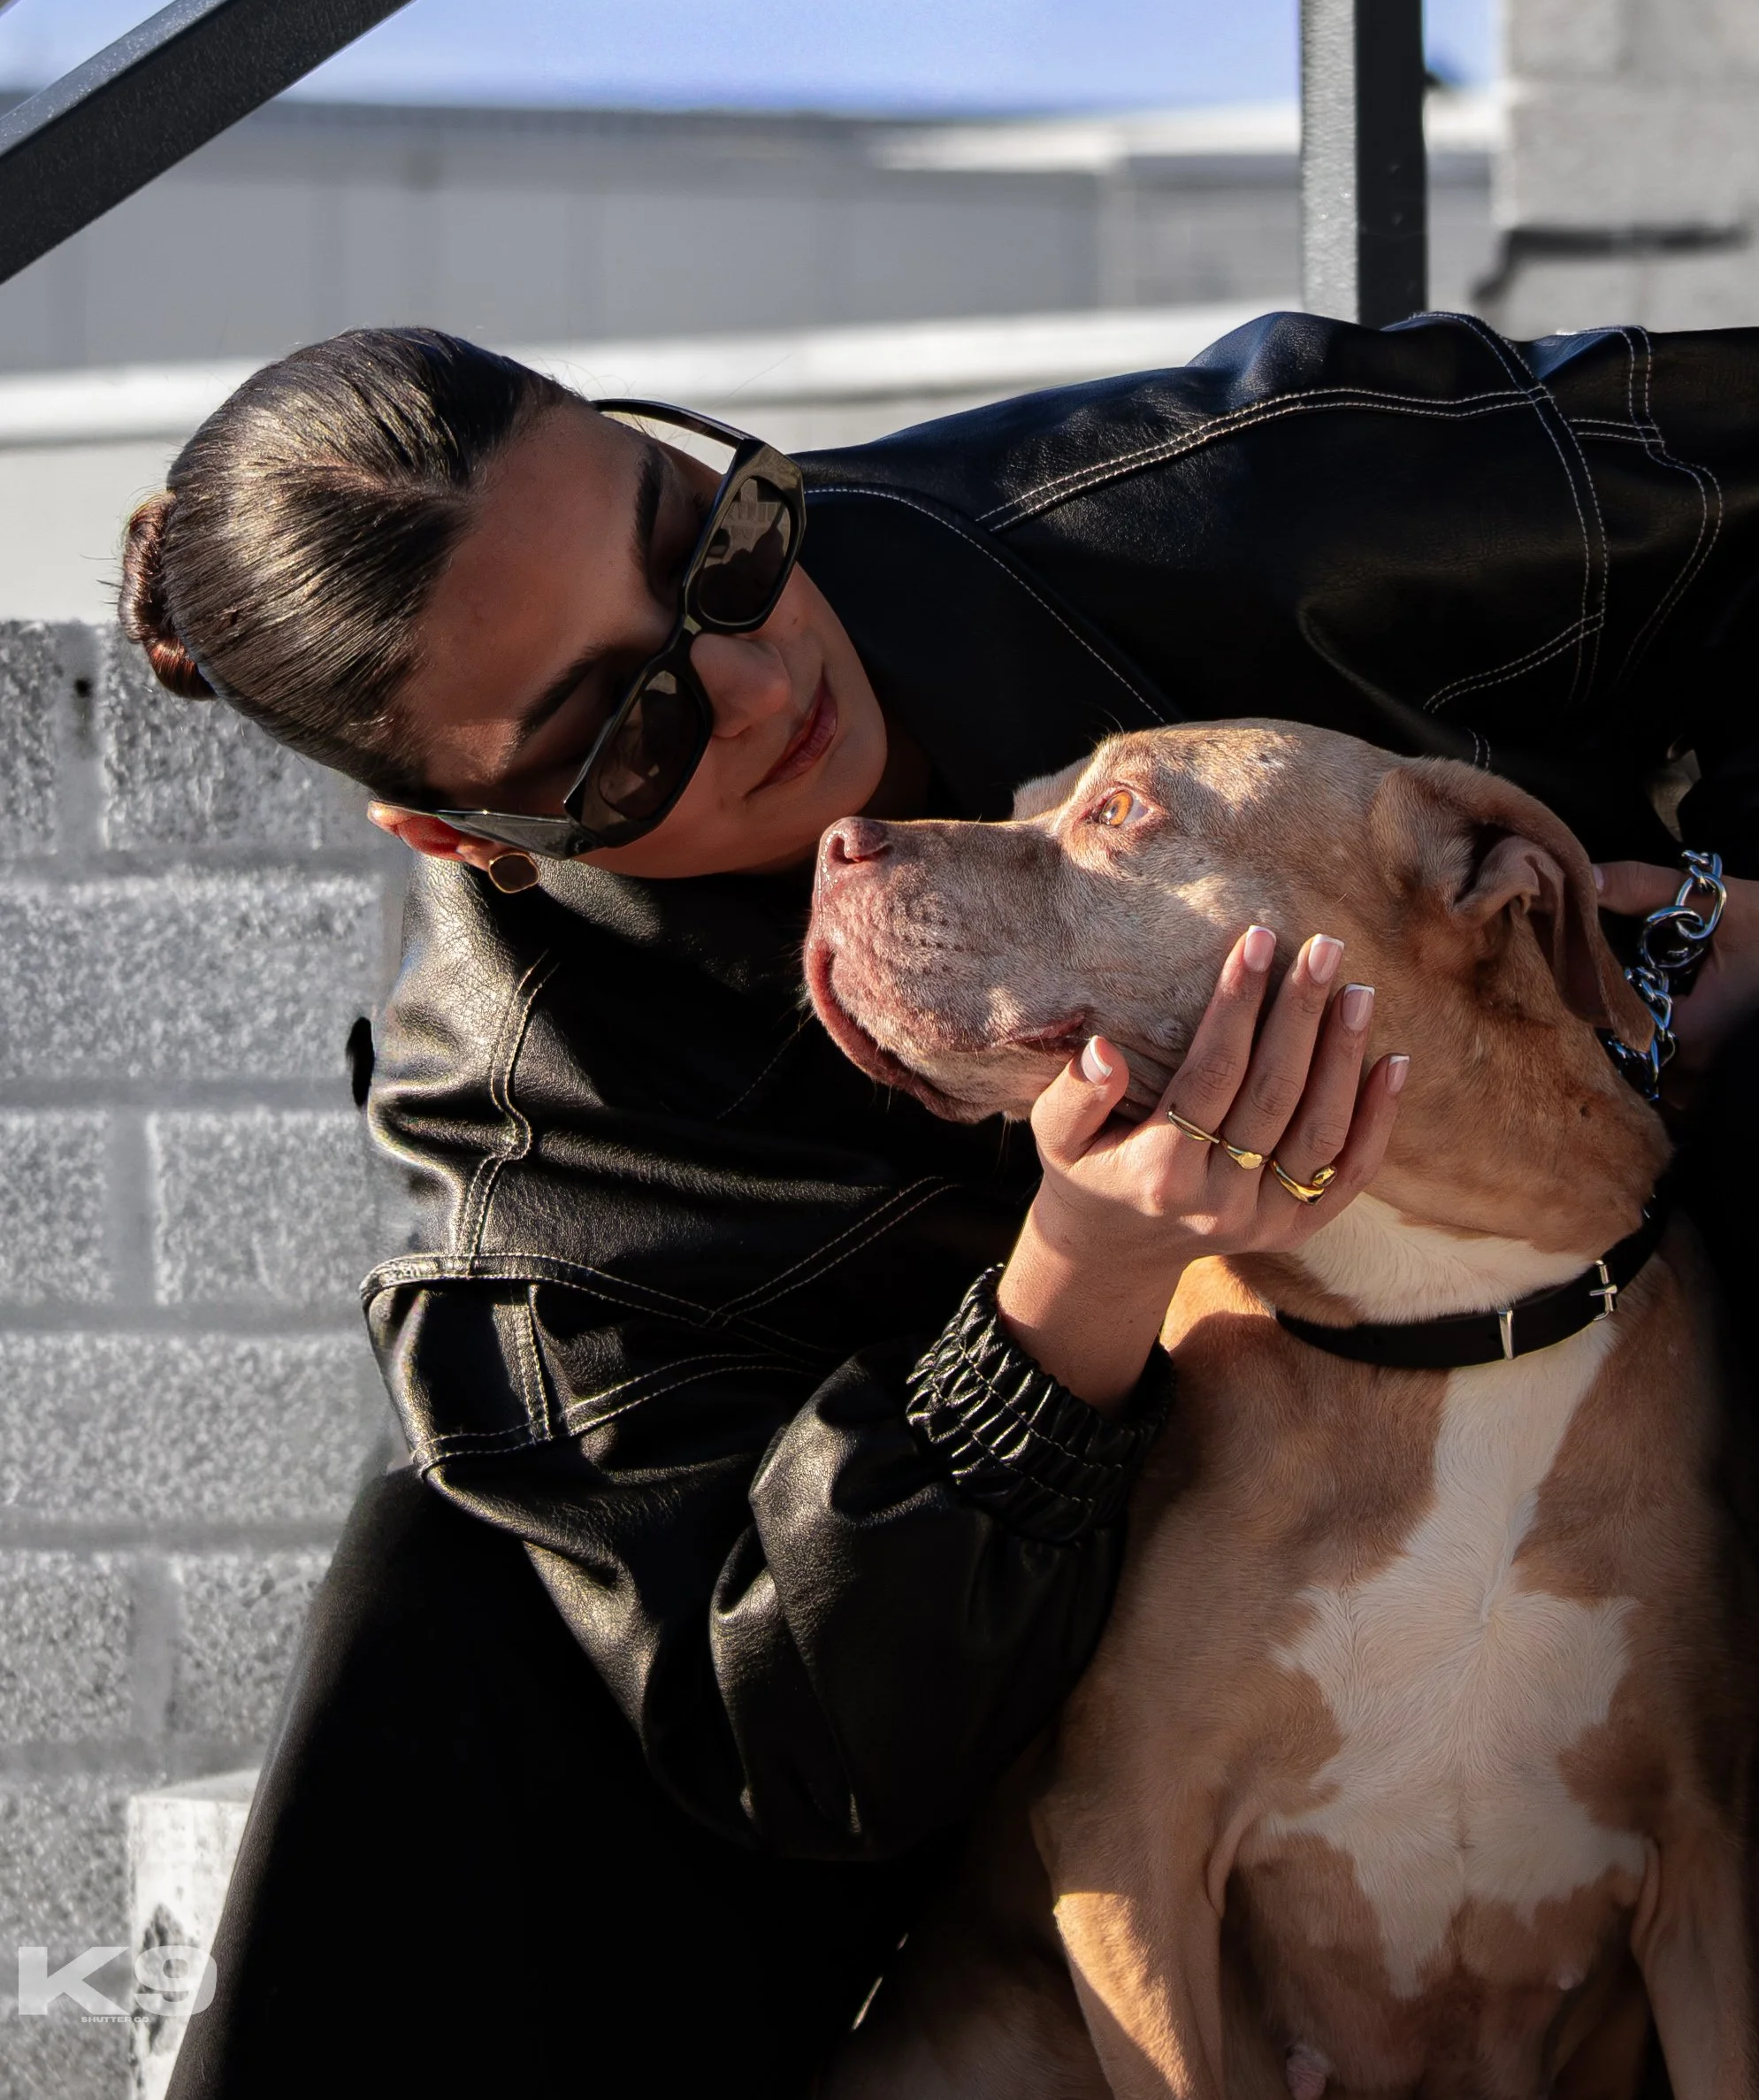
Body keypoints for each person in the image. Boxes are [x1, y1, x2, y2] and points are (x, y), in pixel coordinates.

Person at [120, 313, 1759, 2098]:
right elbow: (809, 1747)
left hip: (1621, 1329)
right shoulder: (533, 1153)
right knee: (445, 1596)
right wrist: (1068, 1295)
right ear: (466, 834)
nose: (753, 683)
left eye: (709, 544)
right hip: (1064, 1686)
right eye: (620, 729)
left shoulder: (1212, 506)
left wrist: (1712, 918)